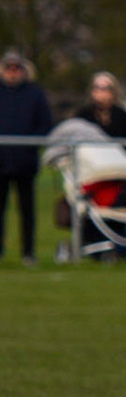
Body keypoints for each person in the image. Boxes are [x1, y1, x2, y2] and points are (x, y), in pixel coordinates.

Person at [0, 49, 53, 266]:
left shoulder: (35, 93)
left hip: (25, 162)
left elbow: (45, 124)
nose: (13, 72)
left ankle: (28, 253)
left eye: (16, 68)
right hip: (0, 162)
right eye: (8, 68)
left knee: (27, 210)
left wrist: (31, 145)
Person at [75, 72, 126, 161]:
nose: (100, 92)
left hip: (117, 161)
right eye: (97, 88)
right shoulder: (83, 114)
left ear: (113, 92)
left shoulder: (122, 115)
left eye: (105, 88)